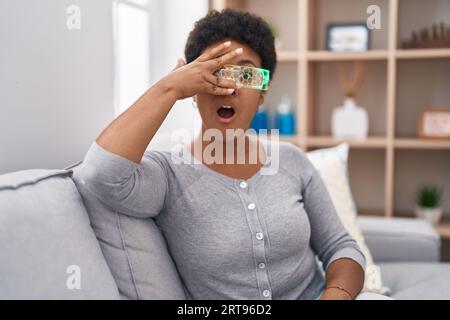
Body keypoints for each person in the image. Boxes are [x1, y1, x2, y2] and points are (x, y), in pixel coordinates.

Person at [76, 9, 365, 300]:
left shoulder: (292, 160)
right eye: (215, 72)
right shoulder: (168, 173)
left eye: (247, 73)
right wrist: (170, 87)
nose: (229, 87)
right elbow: (100, 175)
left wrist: (336, 294)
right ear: (193, 86)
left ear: (262, 93)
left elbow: (341, 247)